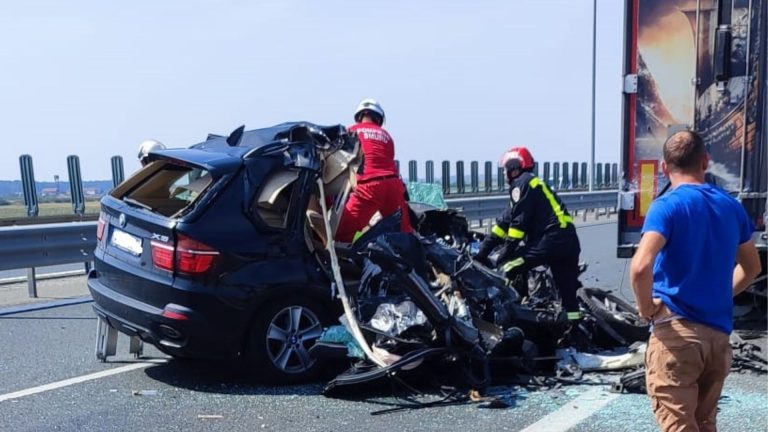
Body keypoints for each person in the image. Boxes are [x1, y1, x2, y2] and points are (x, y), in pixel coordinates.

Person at [630, 131, 761, 432]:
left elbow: (640, 267)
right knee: (704, 423)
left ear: (664, 168)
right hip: (718, 338)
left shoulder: (667, 206)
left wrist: (647, 307)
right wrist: (719, 294)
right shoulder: (731, 207)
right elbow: (751, 267)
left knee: (679, 425)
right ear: (705, 162)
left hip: (678, 335)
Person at [474, 147, 582, 320]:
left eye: (505, 169)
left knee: (506, 268)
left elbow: (517, 226)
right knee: (567, 290)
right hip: (568, 240)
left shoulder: (521, 184)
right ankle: (575, 331)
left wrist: (504, 254)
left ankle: (506, 316)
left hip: (551, 239)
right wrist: (481, 253)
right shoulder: (532, 184)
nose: (504, 173)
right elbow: (502, 225)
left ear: (514, 167)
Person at [335, 99, 412, 242]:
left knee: (340, 234)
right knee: (405, 233)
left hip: (368, 187)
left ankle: (345, 262)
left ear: (359, 117)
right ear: (378, 118)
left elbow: (341, 162)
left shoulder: (350, 131)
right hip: (393, 185)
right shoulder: (387, 136)